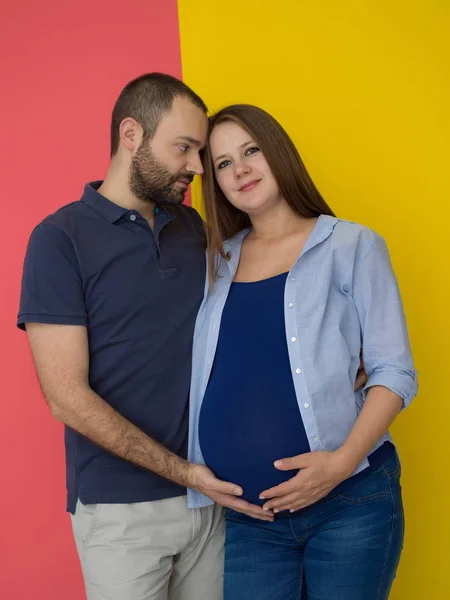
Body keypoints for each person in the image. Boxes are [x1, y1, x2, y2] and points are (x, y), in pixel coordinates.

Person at [17, 74, 273, 600]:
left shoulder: (192, 228)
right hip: (121, 513)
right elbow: (66, 396)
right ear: (131, 134)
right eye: (184, 148)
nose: (197, 168)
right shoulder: (58, 239)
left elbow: (243, 328)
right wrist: (183, 472)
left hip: (212, 500)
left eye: (201, 152)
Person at [187, 104, 418, 600]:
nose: (240, 169)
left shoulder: (352, 246)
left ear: (279, 153)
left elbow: (394, 371)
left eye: (251, 151)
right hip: (252, 520)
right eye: (224, 163)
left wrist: (339, 464)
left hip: (350, 503)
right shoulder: (215, 263)